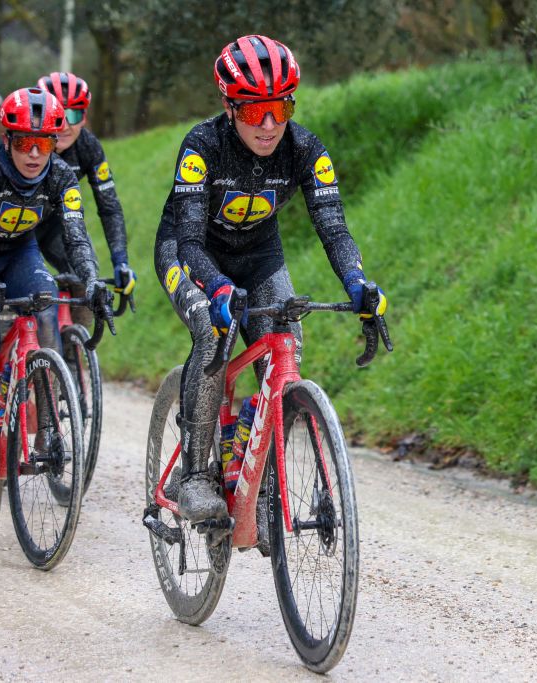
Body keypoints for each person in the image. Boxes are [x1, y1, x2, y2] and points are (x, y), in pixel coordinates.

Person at [153, 35, 388, 538]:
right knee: (211, 332)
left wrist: (358, 282)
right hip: (191, 253)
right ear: (229, 107)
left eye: (279, 109)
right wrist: (216, 287)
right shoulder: (202, 146)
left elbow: (334, 227)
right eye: (253, 110)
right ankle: (194, 474)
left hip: (259, 257)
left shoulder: (305, 149)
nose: (267, 124)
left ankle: (252, 471)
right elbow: (189, 241)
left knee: (287, 348)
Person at [0, 87, 104, 483]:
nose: (33, 154)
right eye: (23, 143)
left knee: (46, 308)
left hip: (18, 252)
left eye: (43, 144)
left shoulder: (62, 176)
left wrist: (92, 280)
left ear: (53, 144)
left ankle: (47, 428)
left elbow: (76, 237)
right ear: (7, 140)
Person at [36, 72, 136, 307]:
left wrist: (121, 261)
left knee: (87, 282)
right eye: (56, 115)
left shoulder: (88, 147)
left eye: (73, 115)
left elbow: (109, 207)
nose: (64, 125)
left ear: (84, 118)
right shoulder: (24, 145)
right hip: (14, 228)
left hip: (53, 224)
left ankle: (75, 331)